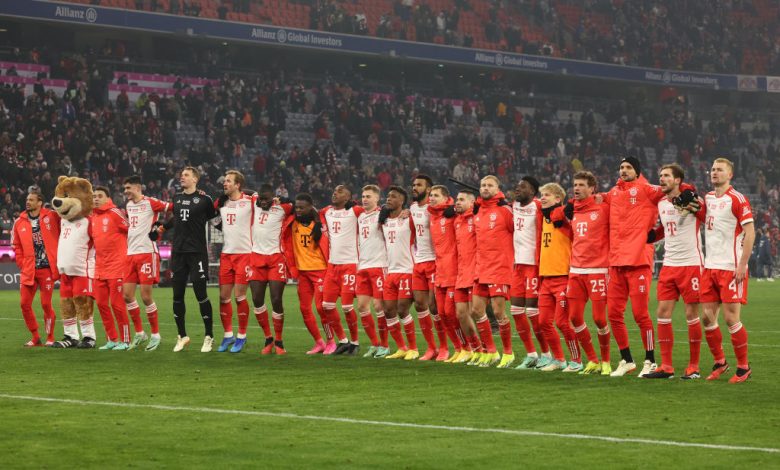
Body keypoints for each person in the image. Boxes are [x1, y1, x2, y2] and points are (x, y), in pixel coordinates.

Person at [602, 157, 667, 377]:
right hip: (616, 263)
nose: (623, 170)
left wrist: (686, 189)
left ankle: (650, 360)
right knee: (613, 314)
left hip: (639, 260)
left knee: (640, 314)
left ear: (637, 171)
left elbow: (671, 187)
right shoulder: (613, 193)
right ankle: (626, 360)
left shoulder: (647, 189)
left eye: (628, 167)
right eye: (621, 167)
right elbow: (596, 201)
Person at [644, 164, 704, 379]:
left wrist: (689, 193)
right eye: (660, 175)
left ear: (677, 180)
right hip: (669, 265)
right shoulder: (661, 202)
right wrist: (652, 236)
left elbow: (704, 213)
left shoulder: (692, 199)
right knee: (662, 313)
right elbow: (666, 228)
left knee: (691, 314)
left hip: (691, 264)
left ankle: (694, 367)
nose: (661, 179)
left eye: (666, 175)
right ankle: (666, 367)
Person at [150, 166, 217, 352]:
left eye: (186, 175)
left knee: (200, 294)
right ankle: (182, 336)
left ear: (195, 179)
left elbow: (216, 219)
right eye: (181, 175)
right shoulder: (177, 198)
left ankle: (209, 335)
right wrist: (161, 228)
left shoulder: (205, 199)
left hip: (196, 253)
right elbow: (177, 219)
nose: (182, 177)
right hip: (178, 252)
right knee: (177, 296)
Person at [700, 158, 755, 383]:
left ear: (729, 174)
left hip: (731, 267)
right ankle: (720, 361)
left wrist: (742, 264)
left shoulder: (738, 199)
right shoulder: (708, 198)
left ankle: (743, 367)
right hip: (710, 266)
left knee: (731, 318)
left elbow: (750, 233)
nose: (715, 172)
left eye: (720, 170)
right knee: (706, 317)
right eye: (712, 169)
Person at [566, 171, 611, 375]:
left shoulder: (603, 208)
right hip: (575, 270)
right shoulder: (572, 210)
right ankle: (592, 359)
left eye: (582, 185)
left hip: (598, 270)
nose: (577, 188)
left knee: (600, 319)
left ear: (592, 188)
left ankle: (606, 361)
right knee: (575, 317)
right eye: (575, 184)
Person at [122, 175, 171, 351]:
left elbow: (171, 208)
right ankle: (140, 333)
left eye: (128, 188)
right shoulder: (128, 206)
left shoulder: (151, 202)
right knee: (127, 295)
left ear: (137, 187)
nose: (125, 191)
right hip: (130, 254)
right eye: (125, 188)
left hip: (146, 253)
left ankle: (156, 335)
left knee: (145, 296)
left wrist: (161, 227)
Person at [472, 175, 515, 368]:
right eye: (483, 185)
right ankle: (491, 352)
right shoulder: (478, 210)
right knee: (476, 310)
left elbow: (519, 231)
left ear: (498, 189)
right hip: (480, 267)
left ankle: (508, 353)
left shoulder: (505, 210)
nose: (485, 188)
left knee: (498, 312)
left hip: (499, 267)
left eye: (490, 185)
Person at [537, 183, 580, 371]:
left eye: (547, 195)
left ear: (558, 199)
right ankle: (559, 359)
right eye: (542, 195)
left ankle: (577, 361)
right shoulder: (543, 218)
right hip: (546, 277)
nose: (543, 198)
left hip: (563, 276)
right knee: (543, 322)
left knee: (562, 322)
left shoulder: (563, 218)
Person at [247, 183, 293, 354]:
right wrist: (254, 193)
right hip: (256, 257)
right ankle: (268, 338)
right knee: (257, 299)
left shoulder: (282, 208)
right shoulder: (255, 202)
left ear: (273, 197)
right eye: (261, 199)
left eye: (266, 199)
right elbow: (246, 191)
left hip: (276, 258)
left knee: (275, 300)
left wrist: (287, 199)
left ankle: (279, 340)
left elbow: (302, 206)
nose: (263, 202)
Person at [510, 176, 551, 369]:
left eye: (523, 187)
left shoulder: (538, 206)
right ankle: (531, 354)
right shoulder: (513, 205)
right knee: (516, 311)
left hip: (533, 266)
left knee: (533, 313)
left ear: (533, 192)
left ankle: (547, 354)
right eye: (518, 186)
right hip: (517, 265)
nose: (518, 189)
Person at [281, 193, 330, 354]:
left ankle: (331, 341)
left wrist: (317, 221)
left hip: (320, 270)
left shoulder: (321, 222)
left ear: (311, 207)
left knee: (321, 307)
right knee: (304, 309)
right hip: (302, 273)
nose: (299, 210)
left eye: (302, 207)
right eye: (297, 207)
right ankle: (319, 342)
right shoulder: (292, 222)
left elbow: (323, 212)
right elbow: (285, 207)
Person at [12, 189, 60, 346]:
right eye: (27, 199)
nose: (28, 202)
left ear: (40, 202)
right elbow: (16, 245)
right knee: (24, 304)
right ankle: (35, 336)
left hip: (46, 269)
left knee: (46, 304)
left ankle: (50, 337)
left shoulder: (51, 216)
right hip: (29, 269)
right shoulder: (19, 222)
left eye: (31, 199)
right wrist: (21, 262)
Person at [319, 185, 363, 355]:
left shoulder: (355, 211)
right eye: (334, 190)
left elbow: (373, 210)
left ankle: (355, 342)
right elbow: (317, 213)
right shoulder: (326, 211)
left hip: (350, 264)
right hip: (332, 265)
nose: (334, 193)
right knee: (327, 305)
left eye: (340, 191)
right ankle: (343, 340)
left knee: (346, 306)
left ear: (348, 197)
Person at [214, 171, 254, 353]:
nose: (225, 183)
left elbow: (268, 203)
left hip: (244, 254)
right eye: (225, 181)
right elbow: (211, 216)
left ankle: (242, 336)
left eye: (229, 181)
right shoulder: (221, 203)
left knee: (239, 296)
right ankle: (228, 334)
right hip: (226, 254)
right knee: (223, 297)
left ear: (238, 185)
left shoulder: (250, 201)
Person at [409, 174, 448, 360]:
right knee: (419, 305)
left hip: (435, 261)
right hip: (419, 262)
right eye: (414, 185)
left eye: (419, 185)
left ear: (429, 188)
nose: (414, 187)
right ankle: (431, 348)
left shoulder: (437, 209)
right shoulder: (412, 208)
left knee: (434, 306)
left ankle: (444, 347)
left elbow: (451, 205)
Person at [379, 186, 419, 360]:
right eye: (388, 196)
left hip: (407, 270)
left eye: (393, 197)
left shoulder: (409, 219)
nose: (389, 199)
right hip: (391, 272)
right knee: (388, 310)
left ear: (401, 201)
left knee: (403, 309)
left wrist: (410, 212)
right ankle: (401, 348)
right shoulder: (384, 221)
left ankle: (414, 348)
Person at [428, 185, 467, 362]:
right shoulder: (433, 217)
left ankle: (467, 347)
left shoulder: (453, 214)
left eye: (436, 195)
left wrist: (454, 208)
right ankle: (458, 348)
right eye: (430, 195)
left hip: (454, 271)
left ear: (446, 198)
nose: (432, 198)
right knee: (442, 313)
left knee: (451, 313)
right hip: (440, 271)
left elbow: (470, 210)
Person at [91, 186, 131, 350]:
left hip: (117, 266)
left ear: (108, 199)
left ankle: (126, 340)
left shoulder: (114, 213)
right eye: (94, 196)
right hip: (100, 268)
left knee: (117, 305)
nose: (96, 199)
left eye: (100, 196)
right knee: (101, 304)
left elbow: (131, 229)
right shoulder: (93, 216)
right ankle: (112, 339)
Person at [356, 185, 388, 358]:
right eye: (363, 196)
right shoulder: (360, 217)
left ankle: (385, 345)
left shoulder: (382, 215)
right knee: (362, 306)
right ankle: (374, 344)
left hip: (379, 265)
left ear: (377, 199)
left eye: (368, 196)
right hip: (363, 267)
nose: (365, 199)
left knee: (378, 306)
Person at [452, 190, 482, 364]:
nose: (457, 202)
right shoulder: (457, 220)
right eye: (457, 199)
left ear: (472, 203)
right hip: (461, 273)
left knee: (475, 312)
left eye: (462, 200)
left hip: (475, 272)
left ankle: (488, 350)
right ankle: (474, 349)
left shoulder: (477, 217)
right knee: (461, 314)